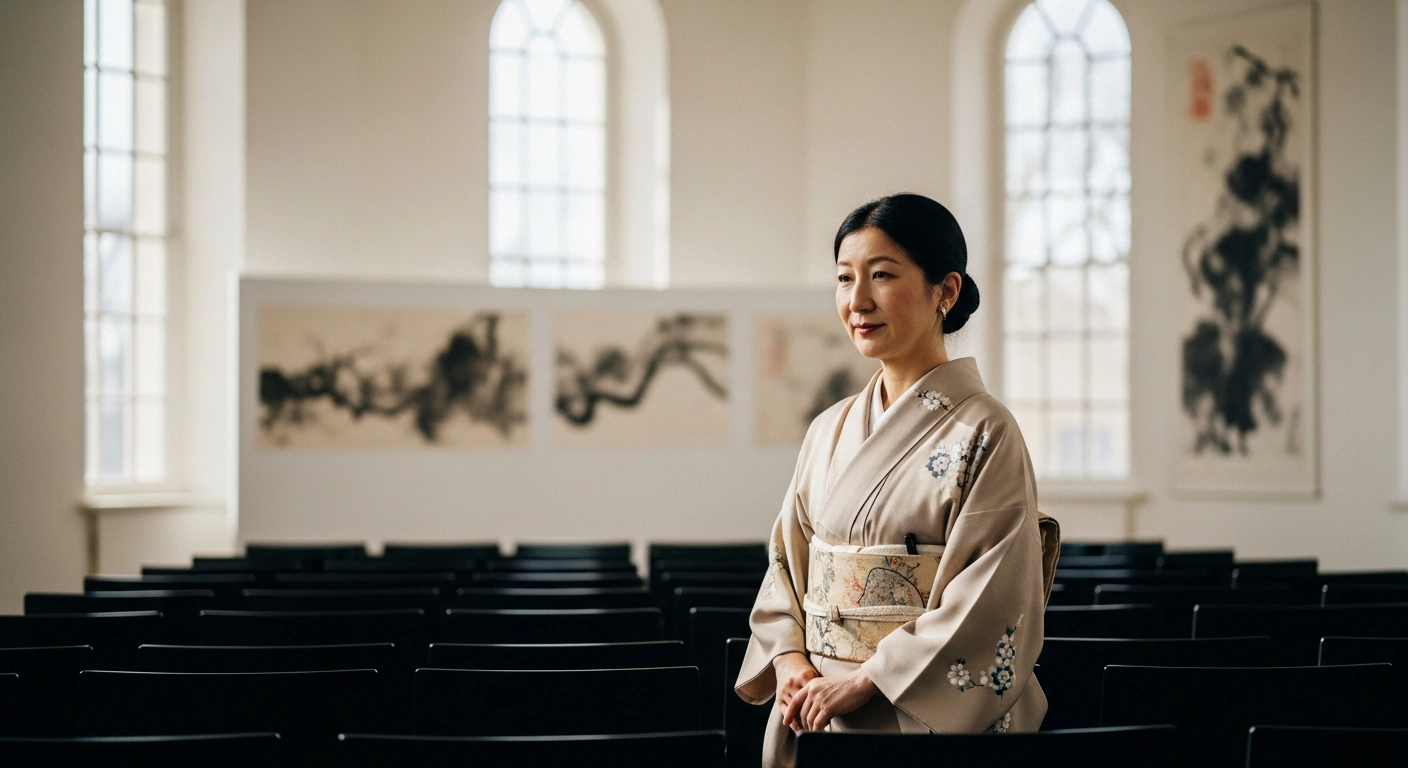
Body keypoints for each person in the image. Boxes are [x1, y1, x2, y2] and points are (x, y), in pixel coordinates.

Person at [734, 193, 1059, 766]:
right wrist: (788, 660)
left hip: (915, 713)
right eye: (843, 278)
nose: (857, 300)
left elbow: (992, 597)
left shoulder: (987, 431)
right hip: (815, 708)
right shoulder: (827, 429)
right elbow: (787, 563)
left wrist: (868, 681)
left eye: (882, 275)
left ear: (946, 291)